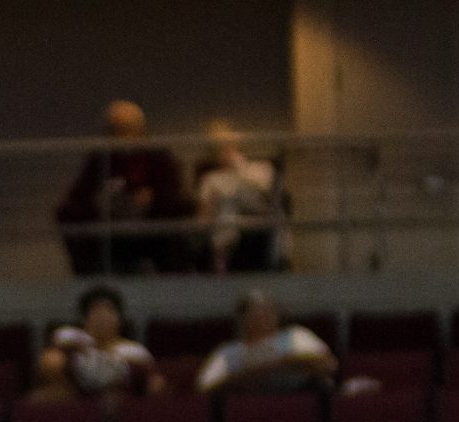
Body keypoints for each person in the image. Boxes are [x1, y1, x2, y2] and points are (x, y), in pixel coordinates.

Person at [55, 100, 192, 276]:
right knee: (66, 212)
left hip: (151, 227)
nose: (122, 136)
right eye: (115, 130)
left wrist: (153, 198)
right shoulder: (99, 159)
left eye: (128, 129)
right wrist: (99, 203)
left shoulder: (159, 157)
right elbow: (79, 196)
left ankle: (175, 276)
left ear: (141, 131)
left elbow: (173, 193)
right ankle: (87, 275)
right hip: (110, 229)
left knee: (181, 212)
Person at [39, 284, 160, 405]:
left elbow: (151, 378)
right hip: (76, 395)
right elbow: (59, 340)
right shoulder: (75, 338)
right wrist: (83, 349)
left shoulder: (134, 350)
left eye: (109, 313)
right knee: (52, 359)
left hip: (120, 399)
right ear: (84, 318)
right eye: (96, 312)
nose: (103, 318)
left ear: (119, 318)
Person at [195, 291, 334, 394]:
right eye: (254, 313)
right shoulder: (228, 351)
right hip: (246, 411)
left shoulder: (296, 335)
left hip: (299, 405)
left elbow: (328, 365)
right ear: (243, 319)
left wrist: (280, 363)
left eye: (267, 311)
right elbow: (206, 388)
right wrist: (254, 373)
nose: (262, 317)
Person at [194, 120, 281, 274]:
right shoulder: (211, 179)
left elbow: (267, 194)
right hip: (223, 235)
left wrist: (239, 166)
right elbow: (203, 217)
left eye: (229, 147)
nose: (225, 153)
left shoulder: (259, 170)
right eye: (220, 149)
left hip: (254, 232)